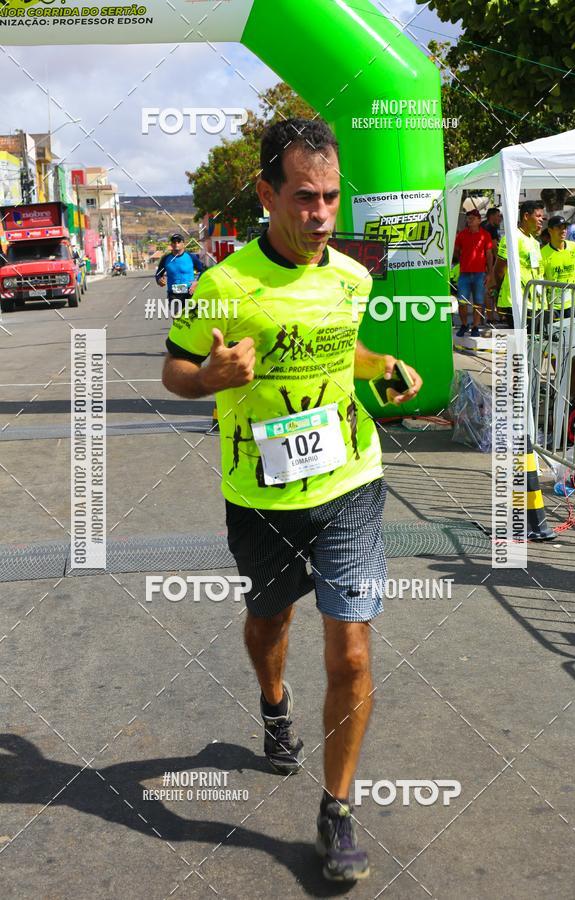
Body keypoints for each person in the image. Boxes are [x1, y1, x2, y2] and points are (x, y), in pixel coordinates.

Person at [162, 117, 422, 883]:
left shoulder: (353, 278)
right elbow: (175, 370)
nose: (320, 214)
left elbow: (348, 354)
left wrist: (383, 367)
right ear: (267, 192)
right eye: (304, 197)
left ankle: (336, 811)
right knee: (270, 618)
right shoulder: (222, 287)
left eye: (332, 198)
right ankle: (275, 706)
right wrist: (207, 380)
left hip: (350, 481)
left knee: (350, 648)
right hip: (261, 495)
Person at [494, 200, 545, 327]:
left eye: (542, 217)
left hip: (534, 302)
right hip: (516, 301)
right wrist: (498, 296)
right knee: (517, 341)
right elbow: (499, 269)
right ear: (526, 216)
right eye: (538, 216)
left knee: (532, 342)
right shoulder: (512, 237)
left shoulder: (534, 242)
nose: (541, 220)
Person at [453, 208, 494, 337]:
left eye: (472, 218)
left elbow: (489, 255)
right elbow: (457, 251)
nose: (469, 220)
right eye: (468, 218)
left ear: (479, 220)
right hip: (464, 273)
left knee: (478, 301)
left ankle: (475, 326)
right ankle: (464, 325)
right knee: (462, 302)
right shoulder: (462, 235)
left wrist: (490, 273)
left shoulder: (485, 235)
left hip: (479, 274)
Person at [541, 215, 575, 317]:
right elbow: (540, 281)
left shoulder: (574, 247)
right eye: (559, 228)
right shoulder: (543, 253)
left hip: (572, 303)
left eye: (564, 228)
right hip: (553, 307)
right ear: (550, 230)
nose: (563, 231)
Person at [155, 234, 205, 311]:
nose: (176, 244)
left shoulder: (191, 257)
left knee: (191, 320)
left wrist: (196, 282)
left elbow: (202, 270)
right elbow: (158, 274)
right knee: (177, 319)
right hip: (173, 295)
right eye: (174, 242)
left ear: (183, 244)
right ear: (171, 244)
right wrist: (159, 281)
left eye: (178, 242)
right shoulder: (166, 259)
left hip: (190, 293)